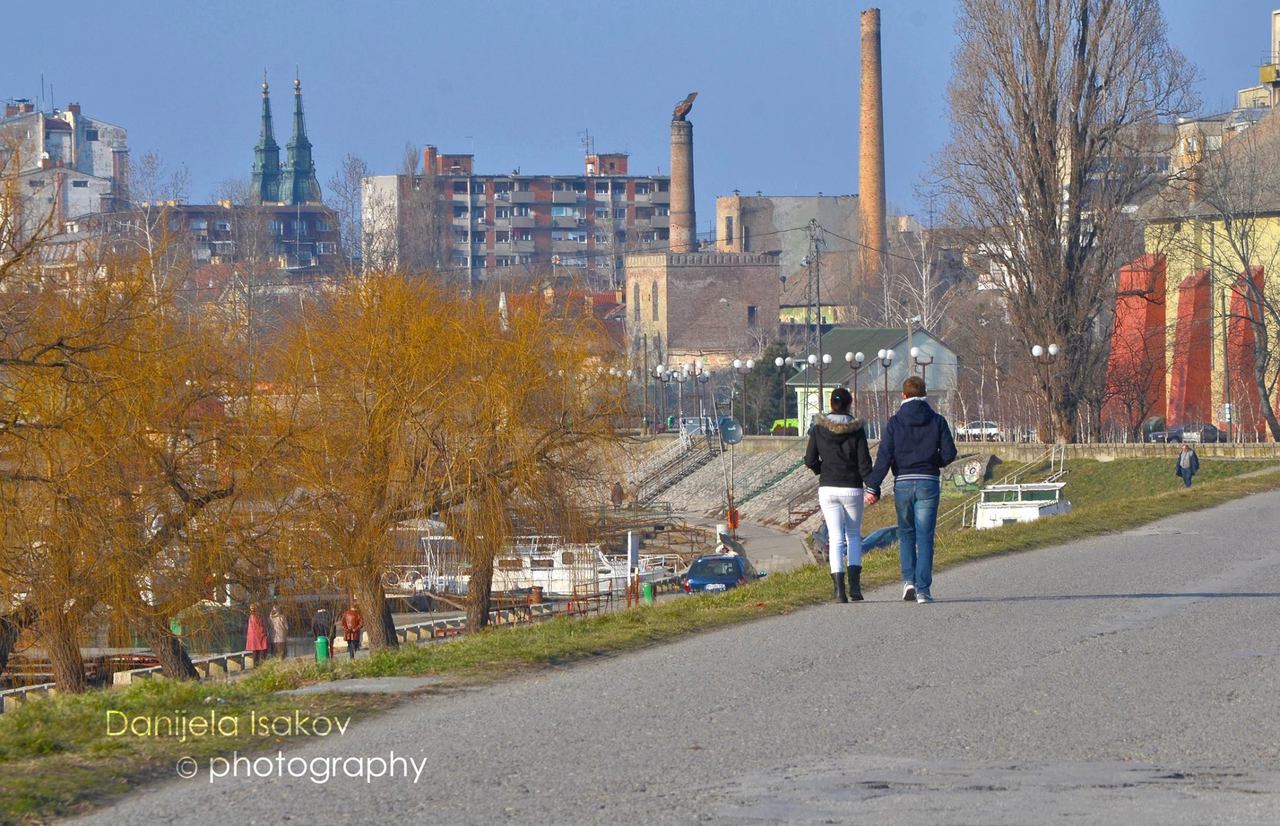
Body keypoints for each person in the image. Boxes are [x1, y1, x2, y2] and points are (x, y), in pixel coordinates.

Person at [864, 375, 957, 604]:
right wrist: (934, 462)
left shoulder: (895, 422)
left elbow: (884, 456)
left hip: (903, 482)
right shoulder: (937, 421)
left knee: (906, 533)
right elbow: (949, 453)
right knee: (925, 537)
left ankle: (909, 582)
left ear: (903, 395)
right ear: (924, 394)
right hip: (928, 481)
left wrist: (873, 487)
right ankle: (923, 591)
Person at [805, 386, 874, 603]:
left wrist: (821, 469)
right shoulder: (857, 429)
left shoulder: (819, 429)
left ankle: (839, 591)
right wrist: (872, 485)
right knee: (852, 536)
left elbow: (809, 459)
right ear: (849, 404)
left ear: (831, 405)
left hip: (828, 487)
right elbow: (864, 462)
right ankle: (855, 588)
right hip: (852, 487)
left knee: (834, 538)